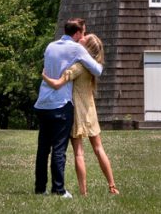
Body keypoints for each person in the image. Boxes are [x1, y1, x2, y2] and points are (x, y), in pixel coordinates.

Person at [42, 32, 119, 196]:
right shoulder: (92, 66)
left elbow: (58, 82)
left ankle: (83, 192)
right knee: (99, 149)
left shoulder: (77, 67)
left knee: (79, 152)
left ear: (87, 47)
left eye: (85, 38)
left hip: (77, 111)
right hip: (90, 110)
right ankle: (112, 186)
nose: (81, 38)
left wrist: (45, 77)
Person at [34, 18, 103, 198]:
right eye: (84, 32)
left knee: (43, 149)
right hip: (60, 104)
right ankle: (58, 189)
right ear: (78, 33)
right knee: (58, 149)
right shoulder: (77, 48)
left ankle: (40, 188)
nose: (85, 36)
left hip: (43, 103)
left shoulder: (50, 46)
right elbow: (97, 70)